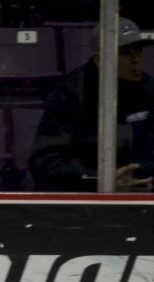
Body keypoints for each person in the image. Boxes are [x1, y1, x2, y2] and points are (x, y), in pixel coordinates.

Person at [29, 18, 154, 192]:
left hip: (139, 190)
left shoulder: (149, 89)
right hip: (84, 193)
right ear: (99, 59)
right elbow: (46, 161)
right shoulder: (71, 93)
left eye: (138, 51)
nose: (136, 60)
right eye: (125, 53)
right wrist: (99, 181)